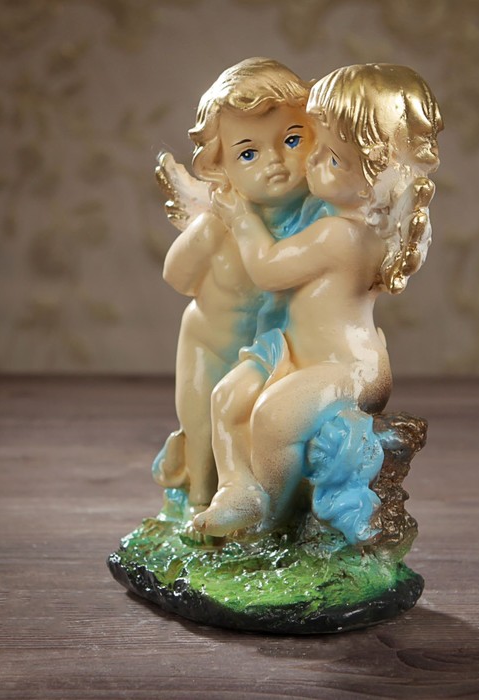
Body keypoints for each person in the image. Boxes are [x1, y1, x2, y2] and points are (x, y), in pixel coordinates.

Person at [194, 63, 443, 540]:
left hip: (346, 368)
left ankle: (272, 518)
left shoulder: (341, 235)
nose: (309, 161)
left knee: (273, 417)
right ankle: (236, 489)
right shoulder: (335, 216)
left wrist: (241, 218)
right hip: (293, 354)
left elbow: (268, 270)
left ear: (373, 176)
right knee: (227, 397)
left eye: (330, 157)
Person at [153, 58, 327, 524]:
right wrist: (212, 228)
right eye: (248, 154)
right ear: (221, 167)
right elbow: (176, 277)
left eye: (292, 140)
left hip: (275, 353)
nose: (275, 162)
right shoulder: (221, 221)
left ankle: (274, 510)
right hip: (211, 344)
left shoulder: (317, 218)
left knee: (264, 433)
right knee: (202, 429)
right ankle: (198, 501)